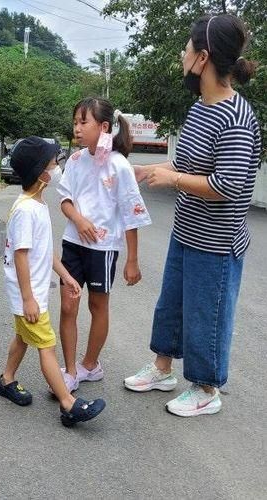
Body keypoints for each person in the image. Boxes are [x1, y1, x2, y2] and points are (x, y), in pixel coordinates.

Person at [124, 14, 261, 417]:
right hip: (187, 231)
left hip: (218, 242)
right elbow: (185, 163)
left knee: (208, 314)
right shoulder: (200, 107)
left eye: (187, 48)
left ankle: (206, 388)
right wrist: (148, 171)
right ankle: (163, 369)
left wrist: (175, 180)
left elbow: (225, 186)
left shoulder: (236, 117)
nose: (182, 55)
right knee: (171, 306)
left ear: (202, 58)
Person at [0, 136, 106, 427]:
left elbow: (44, 252)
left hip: (29, 293)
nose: (56, 166)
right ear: (39, 172)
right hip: (28, 294)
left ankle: (6, 379)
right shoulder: (25, 210)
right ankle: (68, 404)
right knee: (46, 344)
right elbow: (21, 256)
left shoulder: (38, 204)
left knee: (23, 337)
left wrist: (67, 276)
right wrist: (29, 298)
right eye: (51, 163)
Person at [56, 98, 152, 393]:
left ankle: (89, 365)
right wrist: (79, 220)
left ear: (105, 126)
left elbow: (130, 213)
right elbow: (65, 199)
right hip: (72, 244)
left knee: (98, 305)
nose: (77, 128)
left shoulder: (119, 165)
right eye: (75, 122)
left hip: (103, 249)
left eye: (84, 122)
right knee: (68, 304)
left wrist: (132, 260)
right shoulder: (74, 160)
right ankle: (70, 370)